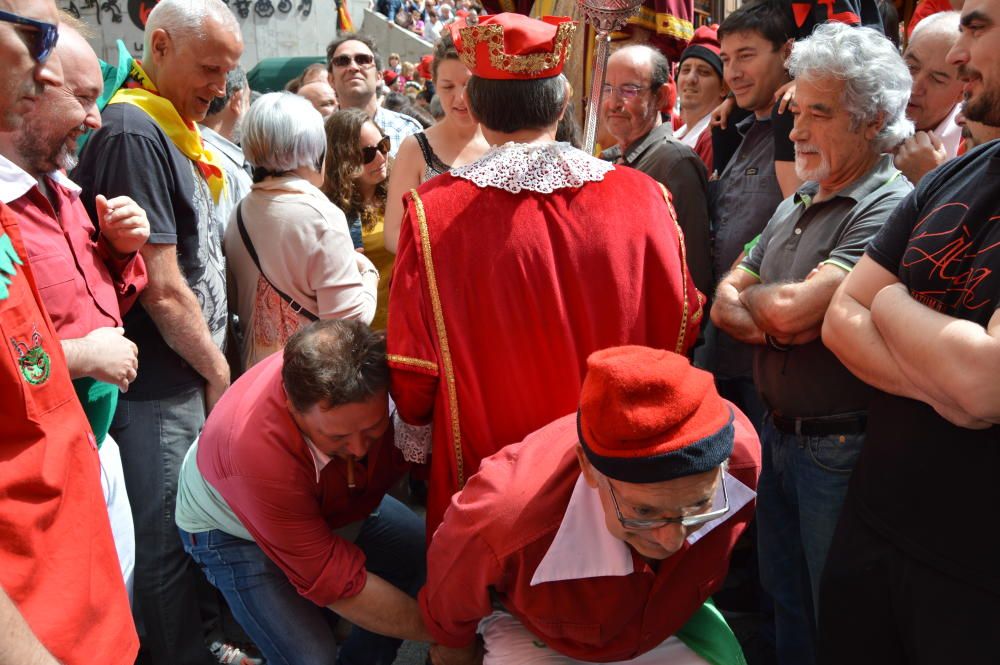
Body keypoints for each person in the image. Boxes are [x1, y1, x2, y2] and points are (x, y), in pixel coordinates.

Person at [388, 13, 704, 536]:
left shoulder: (430, 213)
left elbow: (413, 365)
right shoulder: (646, 196)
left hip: (493, 473)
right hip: (618, 463)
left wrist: (418, 447)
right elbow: (683, 320)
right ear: (561, 103)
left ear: (479, 107)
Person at [711, 23, 913, 665]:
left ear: (872, 118)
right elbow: (723, 302)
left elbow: (794, 312)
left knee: (837, 615)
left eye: (816, 114)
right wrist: (776, 308)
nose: (794, 131)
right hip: (781, 434)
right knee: (786, 601)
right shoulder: (800, 194)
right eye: (795, 112)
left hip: (840, 446)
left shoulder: (890, 206)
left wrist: (767, 304)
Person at [818, 0, 1000, 659]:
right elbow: (840, 318)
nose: (958, 57)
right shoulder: (953, 173)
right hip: (872, 529)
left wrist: (888, 303)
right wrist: (947, 385)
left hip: (976, 581)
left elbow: (985, 382)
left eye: (976, 28)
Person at [72, 0, 243, 662]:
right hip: (162, 388)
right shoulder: (133, 132)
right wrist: (218, 371)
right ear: (161, 46)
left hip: (179, 380)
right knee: (166, 544)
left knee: (186, 533)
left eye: (229, 71)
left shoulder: (165, 128)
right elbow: (166, 290)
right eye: (209, 68)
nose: (220, 88)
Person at [422, 346, 761, 665]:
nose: (672, 541)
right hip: (535, 636)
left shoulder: (743, 466)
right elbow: (450, 606)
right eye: (644, 512)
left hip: (671, 626)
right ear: (588, 468)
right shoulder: (502, 521)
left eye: (700, 504)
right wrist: (459, 653)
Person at [0, 1, 139, 663]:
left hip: (85, 453)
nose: (98, 116)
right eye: (83, 95)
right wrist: (84, 353)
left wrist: (117, 251)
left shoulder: (61, 188)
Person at [176, 319, 430, 665]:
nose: (357, 449)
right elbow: (335, 582)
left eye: (371, 431)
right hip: (230, 530)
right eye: (338, 438)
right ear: (293, 409)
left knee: (419, 553)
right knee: (311, 658)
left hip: (323, 500)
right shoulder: (258, 455)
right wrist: (443, 635)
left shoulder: (393, 383)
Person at [226, 94, 378, 370]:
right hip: (312, 382)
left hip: (257, 378)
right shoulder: (321, 216)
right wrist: (368, 274)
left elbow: (235, 301)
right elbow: (347, 322)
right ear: (314, 147)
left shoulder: (239, 212)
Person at [703, 0, 796, 430]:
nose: (734, 71)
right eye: (726, 59)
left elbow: (799, 214)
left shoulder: (794, 132)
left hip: (767, 353)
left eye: (747, 55)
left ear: (788, 54)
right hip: (724, 346)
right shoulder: (739, 129)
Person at [600, 44, 713, 297]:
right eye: (608, 89)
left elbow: (693, 275)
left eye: (629, 90)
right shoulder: (614, 160)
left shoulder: (675, 163)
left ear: (660, 97)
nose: (614, 103)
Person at [384, 30, 488, 253]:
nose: (460, 98)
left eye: (469, 84)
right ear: (435, 85)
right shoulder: (416, 148)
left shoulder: (507, 141)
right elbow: (394, 234)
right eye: (448, 87)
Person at [322, 108, 394, 331]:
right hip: (363, 335)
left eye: (383, 145)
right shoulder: (330, 212)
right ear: (342, 160)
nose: (381, 158)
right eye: (368, 154)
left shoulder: (398, 190)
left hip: (407, 326)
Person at [893, 11, 964, 184]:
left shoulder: (974, 147)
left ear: (963, 92)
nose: (914, 88)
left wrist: (929, 180)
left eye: (936, 80)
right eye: (911, 67)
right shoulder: (859, 108)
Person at [326, 33, 421, 156]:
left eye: (363, 60)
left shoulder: (409, 131)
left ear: (379, 77)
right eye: (342, 61)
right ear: (331, 79)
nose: (353, 67)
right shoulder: (316, 135)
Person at [200, 65, 253, 231]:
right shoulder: (223, 168)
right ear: (237, 101)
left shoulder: (188, 148)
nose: (249, 109)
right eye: (248, 101)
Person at [675, 24, 726, 172]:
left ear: (724, 88)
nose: (691, 79)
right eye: (685, 70)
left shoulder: (713, 139)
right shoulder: (677, 134)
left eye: (704, 72)